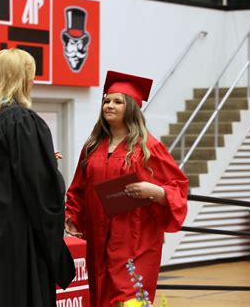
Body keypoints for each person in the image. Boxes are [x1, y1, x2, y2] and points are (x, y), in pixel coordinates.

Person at [0, 48, 75, 307]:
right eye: (31, 75)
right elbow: (40, 189)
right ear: (22, 78)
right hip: (18, 239)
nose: (33, 81)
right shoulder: (21, 121)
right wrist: (48, 168)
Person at [65, 70, 188, 306]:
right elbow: (77, 189)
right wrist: (71, 215)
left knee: (127, 298)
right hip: (98, 239)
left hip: (135, 241)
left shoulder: (148, 147)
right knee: (99, 295)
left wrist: (155, 191)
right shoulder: (92, 146)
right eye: (106, 101)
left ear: (131, 107)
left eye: (117, 101)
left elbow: (177, 187)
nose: (109, 105)